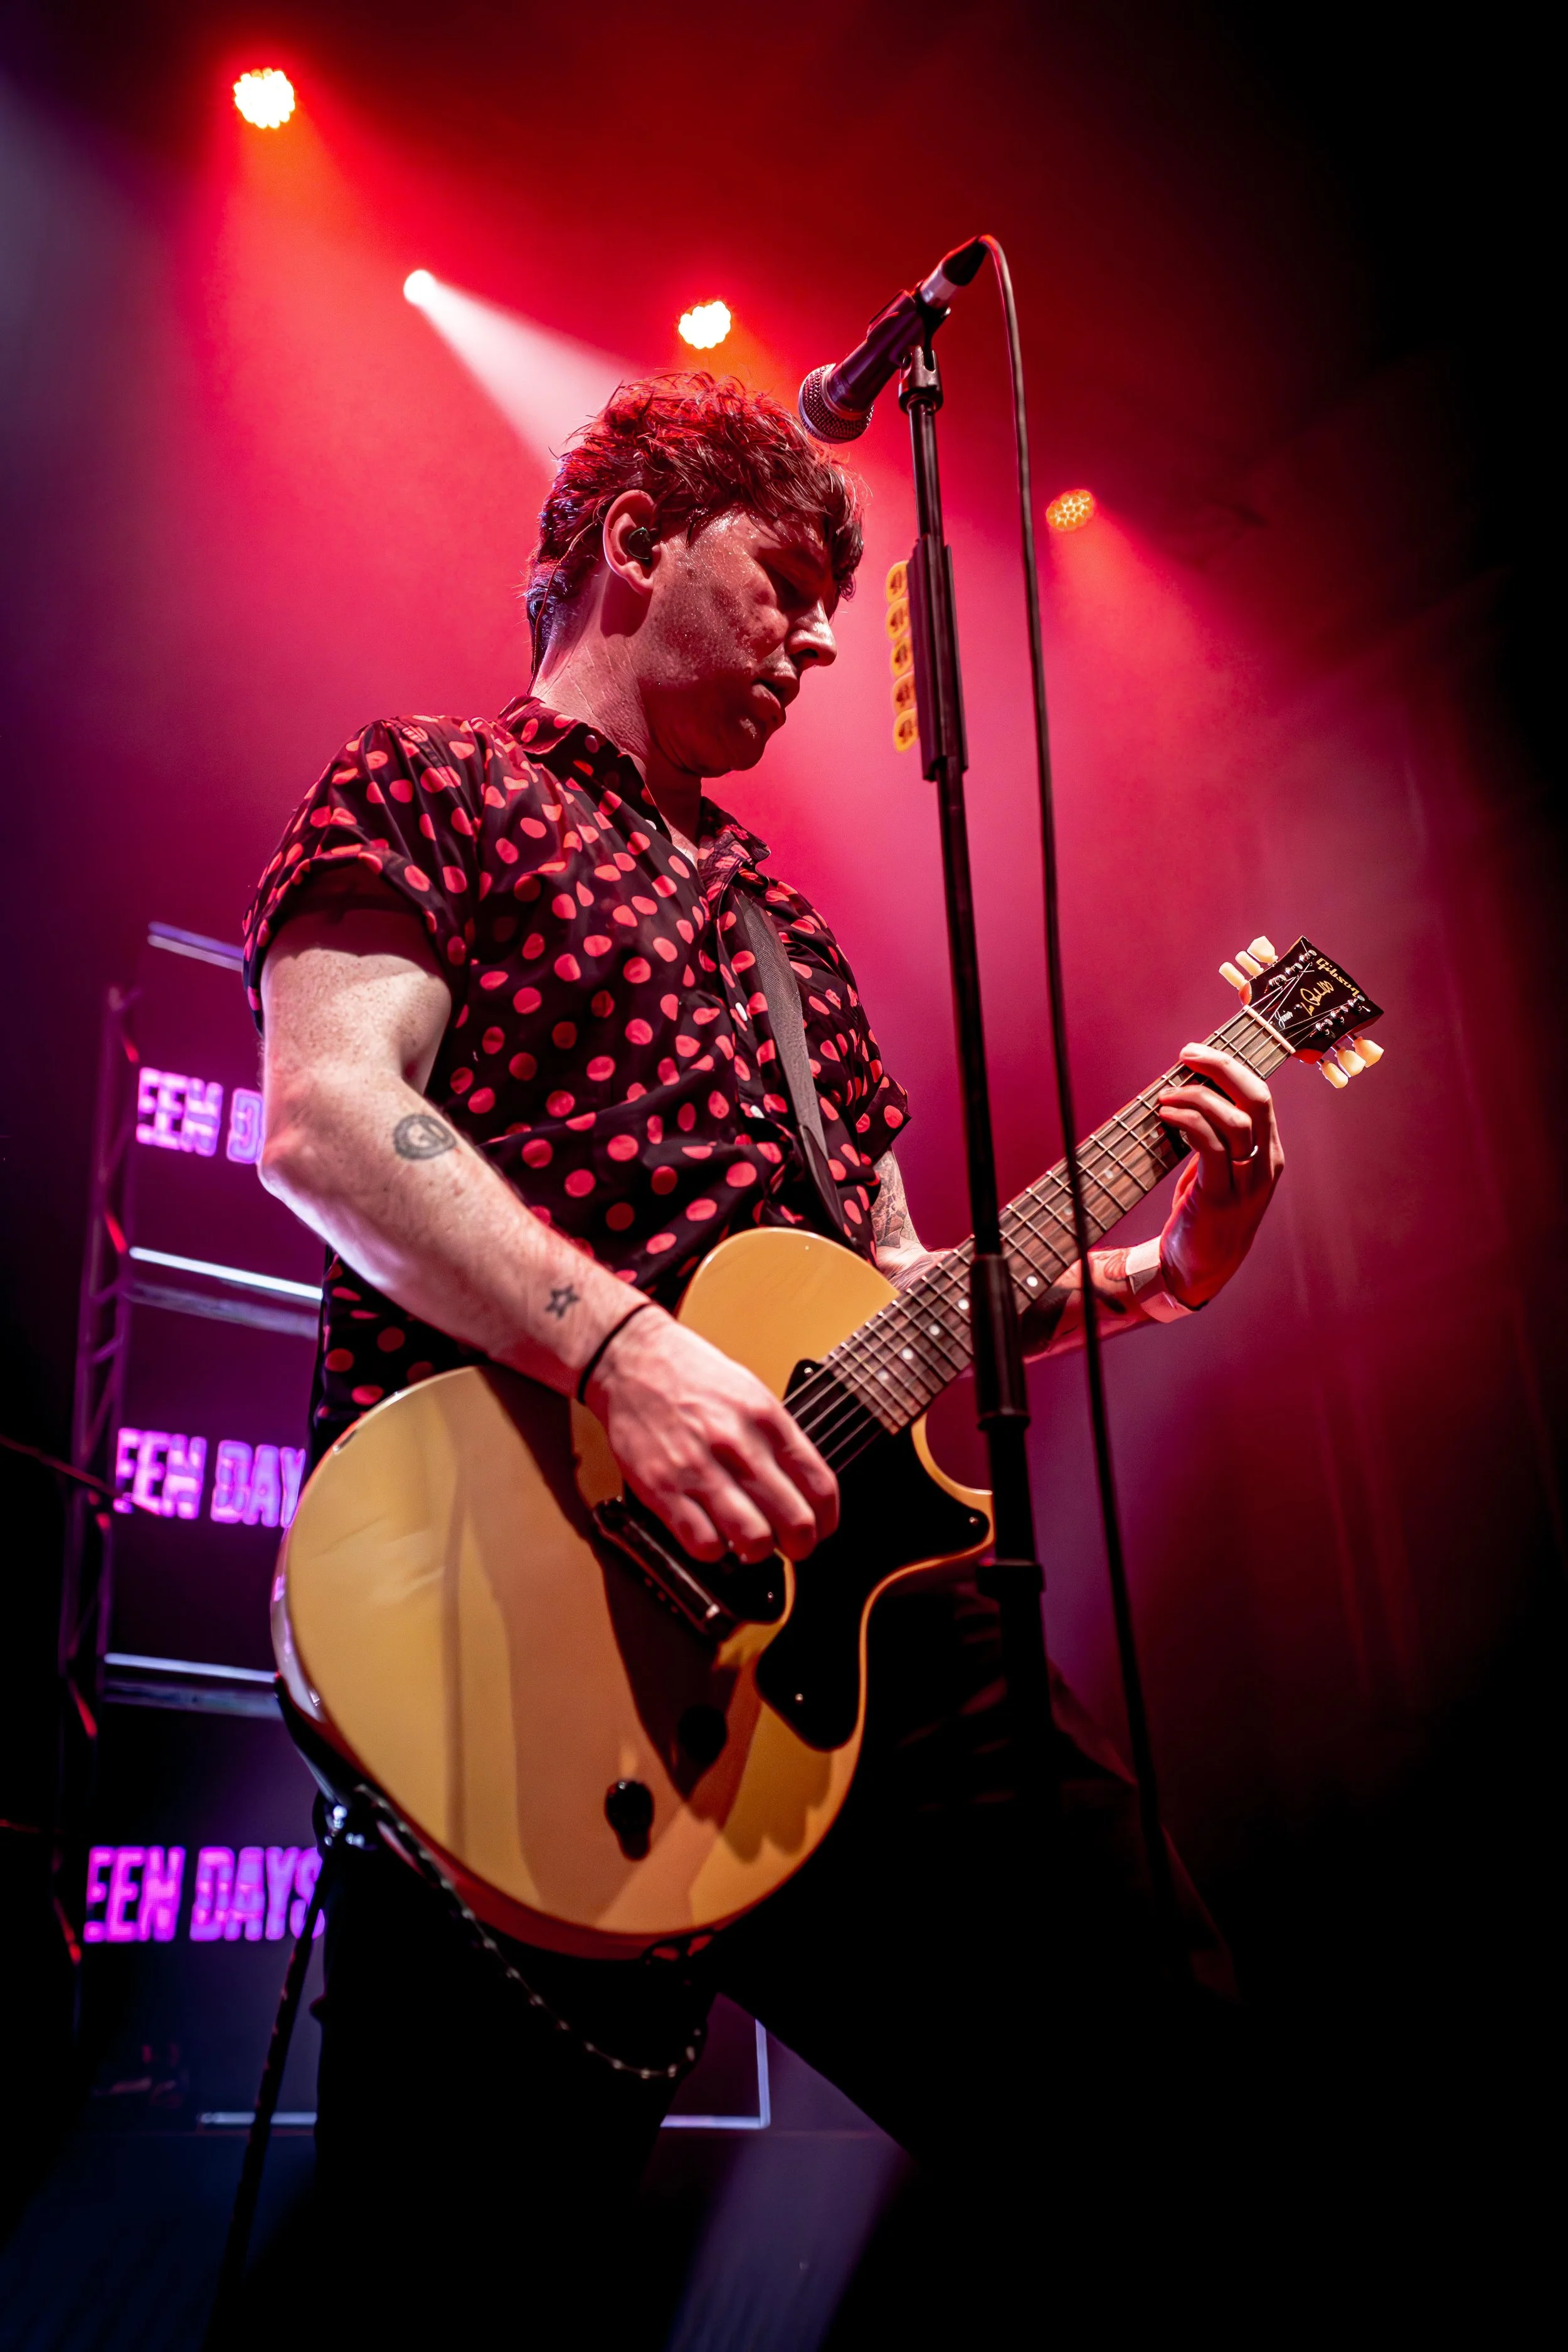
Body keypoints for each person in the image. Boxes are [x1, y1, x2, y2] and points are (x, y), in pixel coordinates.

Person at [245, 375, 1283, 2337]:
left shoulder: (795, 940)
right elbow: (325, 1117)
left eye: (830, 610)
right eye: (788, 585)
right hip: (514, 1606)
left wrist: (1154, 1270)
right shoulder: (428, 781)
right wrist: (622, 1352)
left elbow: (894, 1295)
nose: (819, 644)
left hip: (838, 1644)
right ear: (637, 540)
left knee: (1171, 2096)